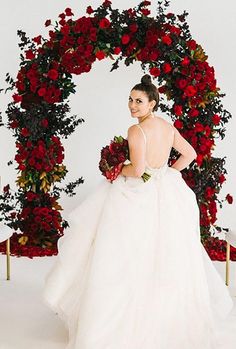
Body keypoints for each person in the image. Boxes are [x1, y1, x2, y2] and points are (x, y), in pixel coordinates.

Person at [43, 75, 236, 349]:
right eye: (130, 100)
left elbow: (138, 170)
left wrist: (115, 168)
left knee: (126, 254)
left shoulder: (137, 131)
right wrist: (168, 173)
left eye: (139, 101)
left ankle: (119, 324)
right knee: (164, 254)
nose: (133, 106)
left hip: (137, 194)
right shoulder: (167, 128)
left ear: (152, 104)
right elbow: (190, 153)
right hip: (166, 192)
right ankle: (165, 323)